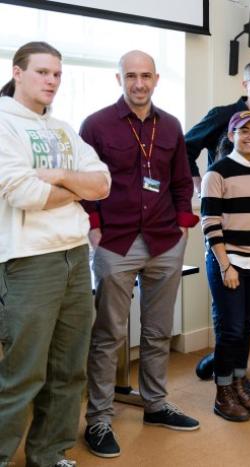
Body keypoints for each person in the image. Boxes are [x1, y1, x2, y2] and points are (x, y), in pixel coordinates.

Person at [80, 50, 200, 458]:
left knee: (157, 331)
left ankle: (155, 404)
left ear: (156, 79)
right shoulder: (96, 124)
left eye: (145, 75)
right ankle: (98, 419)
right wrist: (94, 226)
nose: (139, 83)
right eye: (130, 75)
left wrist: (184, 223)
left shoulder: (171, 125)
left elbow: (181, 179)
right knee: (109, 335)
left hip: (165, 239)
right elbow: (85, 182)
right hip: (116, 241)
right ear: (119, 79)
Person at [0, 41, 111, 467]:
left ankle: (48, 454)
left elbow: (101, 185)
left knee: (68, 369)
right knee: (22, 373)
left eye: (58, 74)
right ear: (18, 72)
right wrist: (76, 190)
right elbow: (24, 192)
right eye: (43, 72)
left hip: (74, 257)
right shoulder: (5, 124)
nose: (52, 81)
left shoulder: (64, 129)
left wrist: (60, 175)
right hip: (27, 261)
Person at [200, 111, 250, 420]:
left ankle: (239, 382)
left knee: (246, 326)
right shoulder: (216, 174)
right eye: (244, 131)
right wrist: (225, 266)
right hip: (228, 263)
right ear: (231, 136)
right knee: (230, 330)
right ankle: (223, 393)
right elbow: (210, 224)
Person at [185, 59, 250, 190]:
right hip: (222, 201)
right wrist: (200, 187)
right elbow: (184, 149)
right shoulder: (221, 115)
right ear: (245, 84)